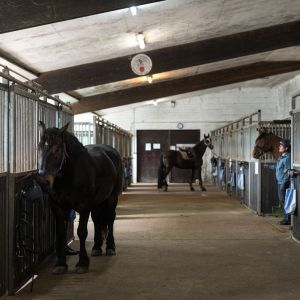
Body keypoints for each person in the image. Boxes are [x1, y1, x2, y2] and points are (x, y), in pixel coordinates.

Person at [276, 139, 291, 225]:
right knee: (282, 200)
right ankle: (286, 217)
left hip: (283, 182)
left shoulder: (287, 158)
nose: (279, 147)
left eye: (281, 146)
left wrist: (285, 182)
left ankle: (287, 219)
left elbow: (288, 170)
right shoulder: (282, 157)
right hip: (280, 181)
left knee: (284, 200)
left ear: (286, 148)